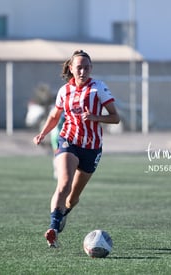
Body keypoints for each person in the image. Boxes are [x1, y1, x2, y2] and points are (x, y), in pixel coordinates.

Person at [33, 50, 120, 248]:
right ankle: (53, 228)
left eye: (86, 68)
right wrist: (44, 133)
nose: (83, 71)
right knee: (63, 184)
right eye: (79, 67)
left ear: (91, 69)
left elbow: (115, 117)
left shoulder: (99, 89)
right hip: (68, 141)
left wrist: (96, 117)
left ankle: (63, 214)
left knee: (73, 198)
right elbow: (55, 115)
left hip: (92, 147)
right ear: (71, 69)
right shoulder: (64, 91)